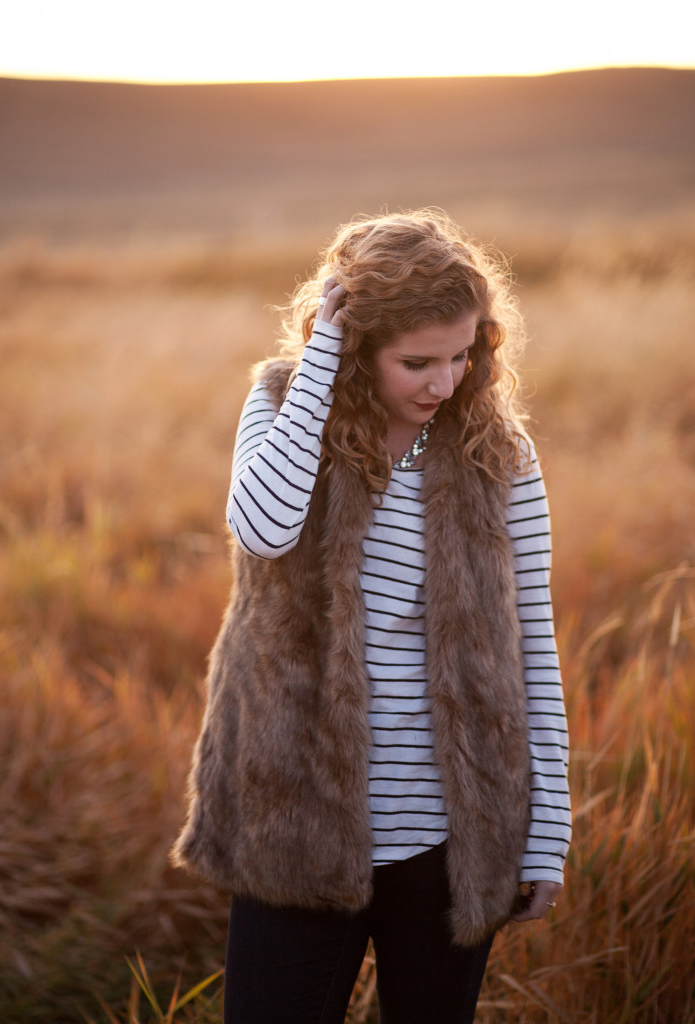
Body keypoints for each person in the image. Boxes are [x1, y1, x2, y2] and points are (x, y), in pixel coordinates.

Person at [172, 209, 571, 1024]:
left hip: (452, 833)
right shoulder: (285, 409)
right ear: (355, 350)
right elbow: (262, 527)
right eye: (416, 361)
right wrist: (321, 357)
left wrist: (547, 829)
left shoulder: (499, 453)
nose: (445, 383)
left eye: (464, 354)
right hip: (294, 816)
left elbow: (532, 641)